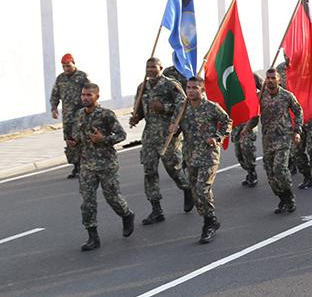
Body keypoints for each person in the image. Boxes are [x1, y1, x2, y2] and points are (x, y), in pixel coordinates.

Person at [69, 82, 134, 251]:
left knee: (112, 198)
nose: (85, 98)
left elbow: (121, 135)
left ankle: (126, 214)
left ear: (97, 96)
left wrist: (103, 139)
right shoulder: (79, 115)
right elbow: (78, 136)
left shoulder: (106, 114)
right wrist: (74, 143)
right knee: (87, 201)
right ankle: (92, 236)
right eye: (83, 95)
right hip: (87, 165)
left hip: (106, 164)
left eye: (89, 95)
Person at [129, 57, 193, 225]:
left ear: (160, 68)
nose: (150, 69)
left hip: (168, 135)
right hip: (149, 135)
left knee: (174, 169)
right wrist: (136, 117)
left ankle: (187, 189)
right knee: (149, 171)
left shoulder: (170, 85)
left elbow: (183, 106)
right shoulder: (142, 87)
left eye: (153, 67)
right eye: (147, 66)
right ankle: (156, 209)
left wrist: (164, 108)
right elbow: (141, 109)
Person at [168, 77, 232, 243]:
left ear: (202, 90)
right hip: (190, 156)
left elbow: (227, 122)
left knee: (203, 189)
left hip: (209, 155)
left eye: (195, 87)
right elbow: (175, 128)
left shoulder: (211, 107)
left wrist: (217, 137)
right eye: (188, 87)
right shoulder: (182, 108)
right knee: (196, 193)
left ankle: (208, 223)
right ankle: (211, 218)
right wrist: (173, 130)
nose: (190, 90)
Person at [256, 69, 304, 213]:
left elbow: (298, 111)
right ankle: (282, 198)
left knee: (280, 168)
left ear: (279, 80)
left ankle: (289, 196)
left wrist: (297, 131)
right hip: (268, 138)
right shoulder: (260, 96)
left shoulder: (286, 96)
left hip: (283, 136)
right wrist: (247, 129)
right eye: (268, 78)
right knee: (270, 172)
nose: (270, 80)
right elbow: (254, 114)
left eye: (273, 78)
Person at [50, 53, 90, 179]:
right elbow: (55, 93)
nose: (66, 69)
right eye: (64, 66)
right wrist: (54, 107)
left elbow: (91, 92)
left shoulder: (82, 76)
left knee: (83, 138)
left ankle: (86, 165)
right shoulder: (60, 78)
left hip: (81, 114)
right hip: (67, 116)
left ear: (73, 63)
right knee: (70, 140)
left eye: (68, 66)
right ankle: (76, 166)